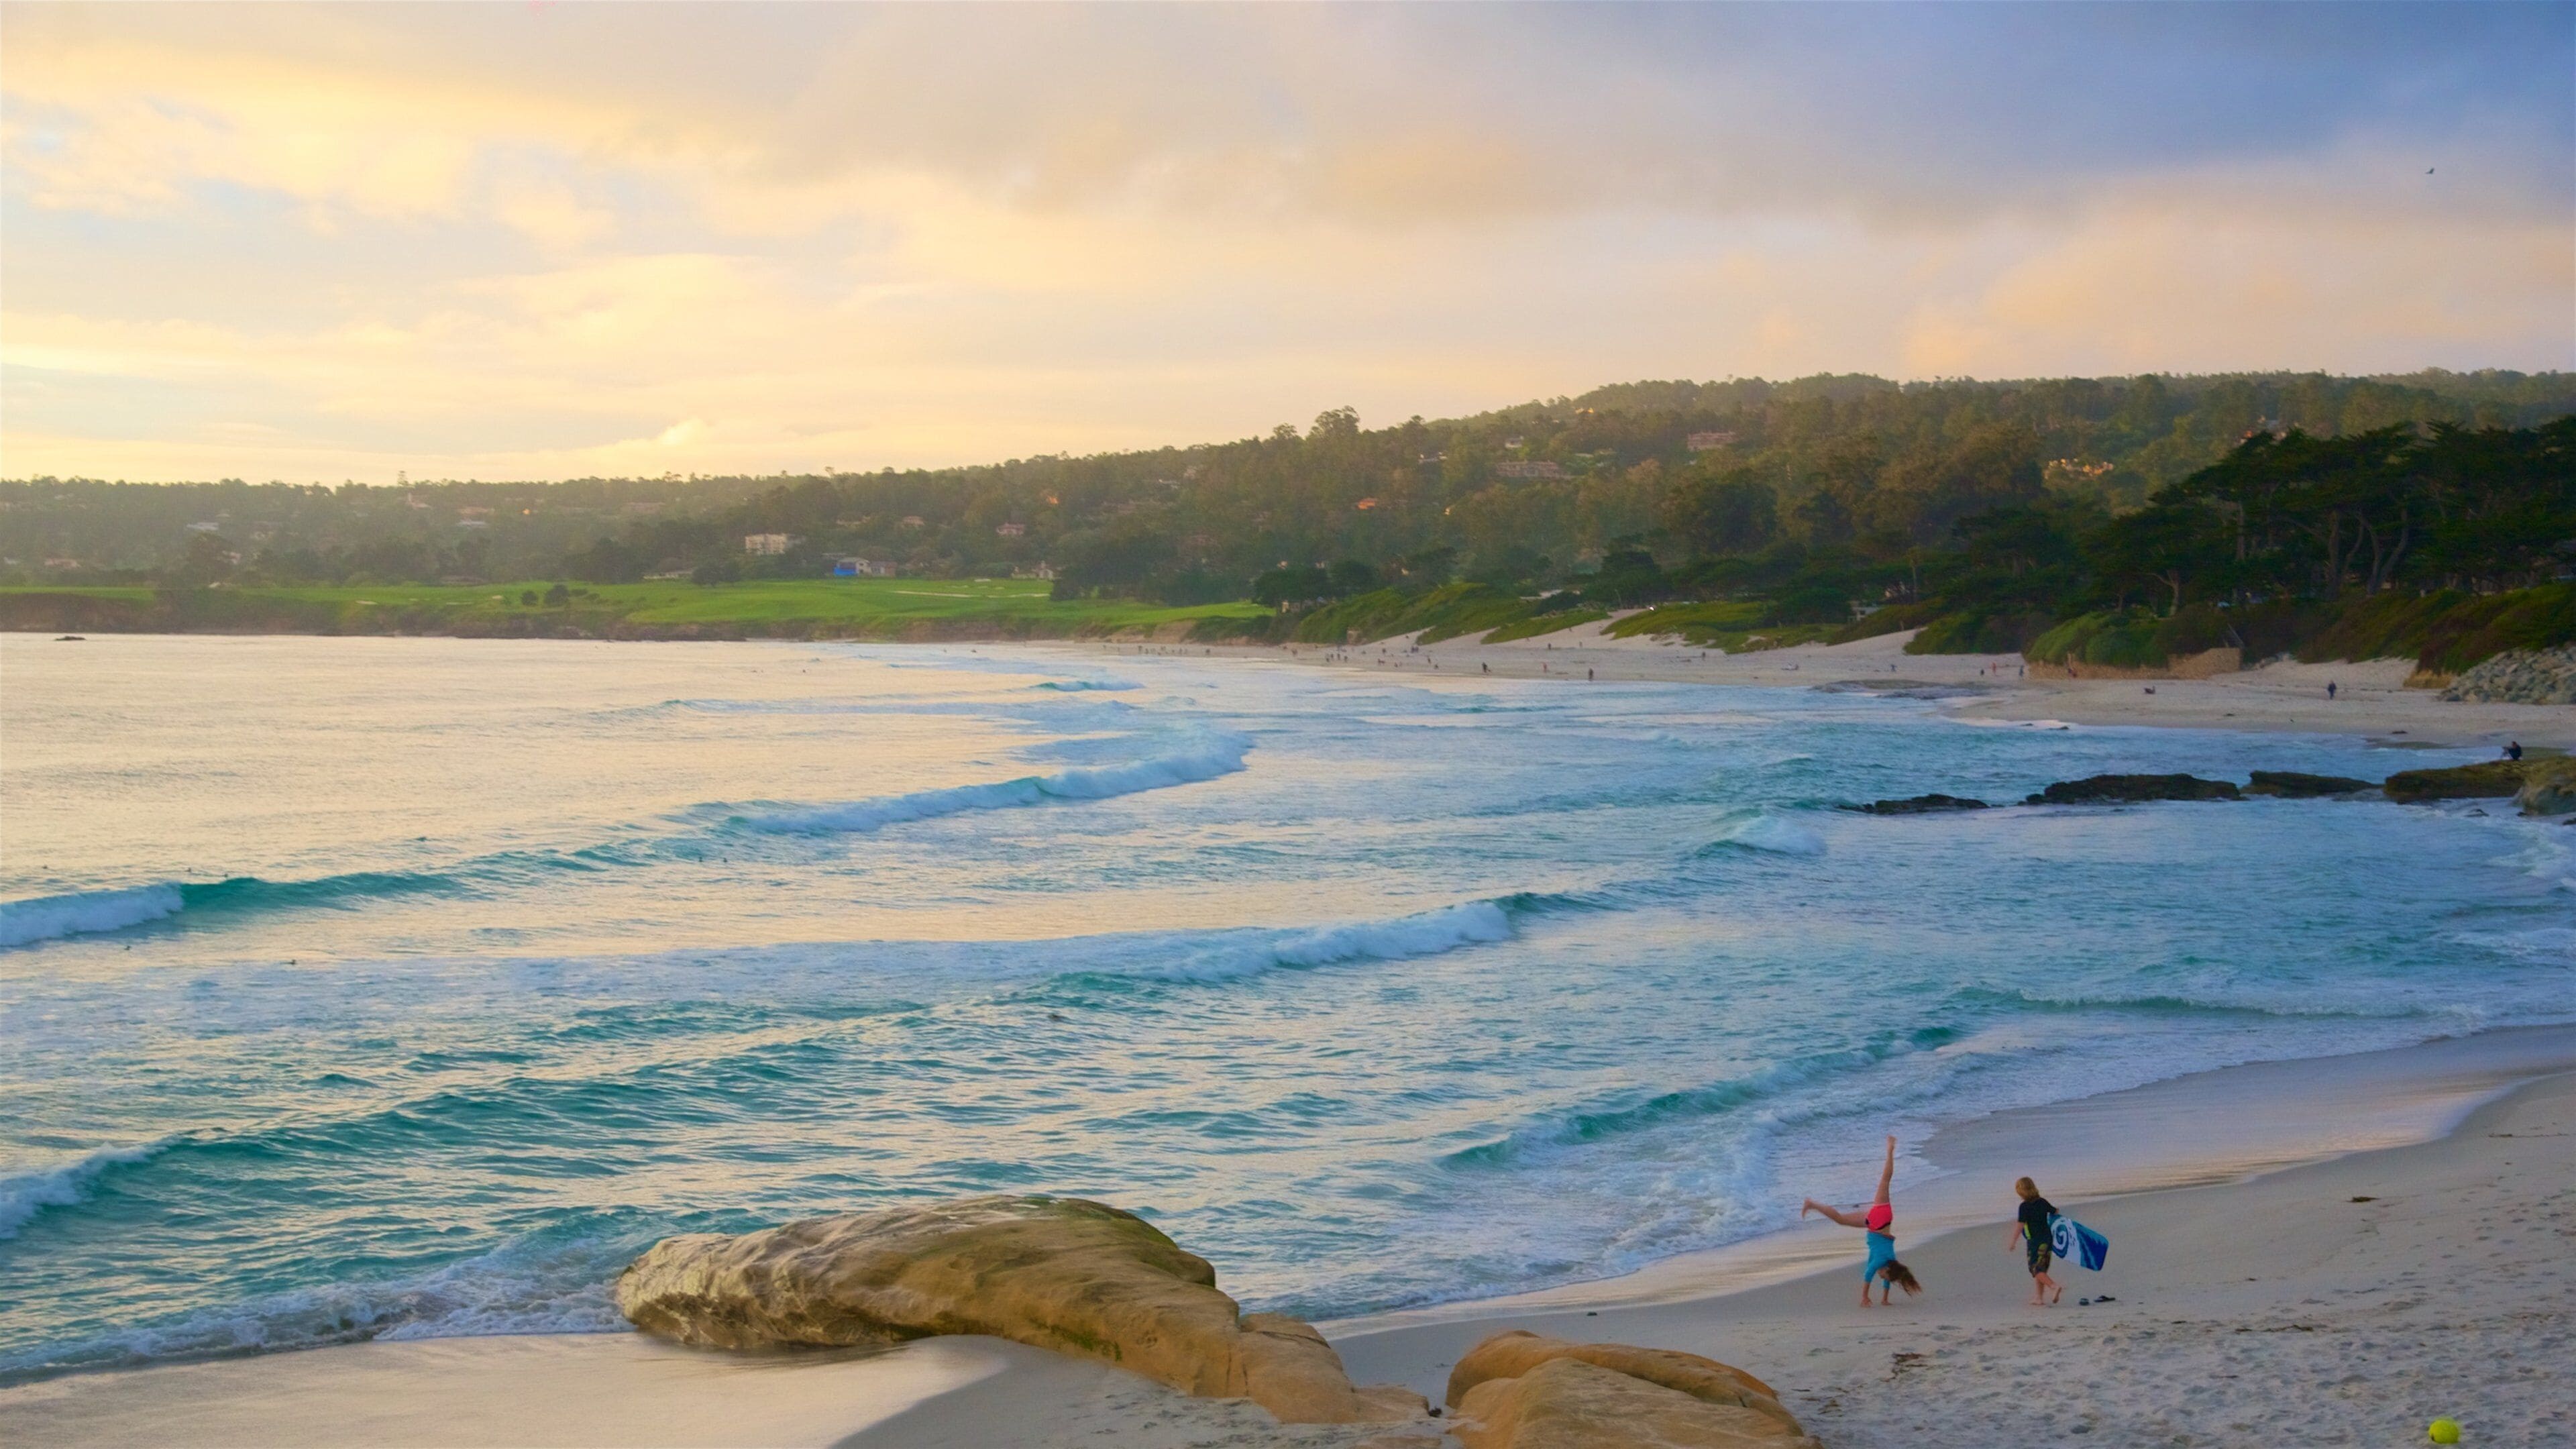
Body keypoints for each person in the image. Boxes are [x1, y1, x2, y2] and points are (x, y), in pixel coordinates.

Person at [1803, 1135, 1923, 1306]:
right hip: (1877, 1221)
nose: (1881, 1277)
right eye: (1884, 1276)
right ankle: (1890, 1150)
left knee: (1842, 1218)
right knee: (1884, 1181)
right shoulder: (1880, 1262)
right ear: (1887, 1269)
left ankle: (1811, 1204)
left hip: (1879, 1222)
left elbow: (1887, 1279)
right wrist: (1864, 1297)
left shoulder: (1890, 1260)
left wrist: (1885, 1299)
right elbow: (1868, 1275)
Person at [2008, 1177, 2063, 1306]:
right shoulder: (2042, 1202)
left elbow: (2020, 1225)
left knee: (2035, 1268)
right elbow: (2055, 1211)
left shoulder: (2024, 1207)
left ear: (2021, 1191)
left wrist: (2013, 1241)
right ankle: (2039, 1298)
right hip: (2047, 1239)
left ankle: (2053, 1286)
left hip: (2035, 1241)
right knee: (2041, 1268)